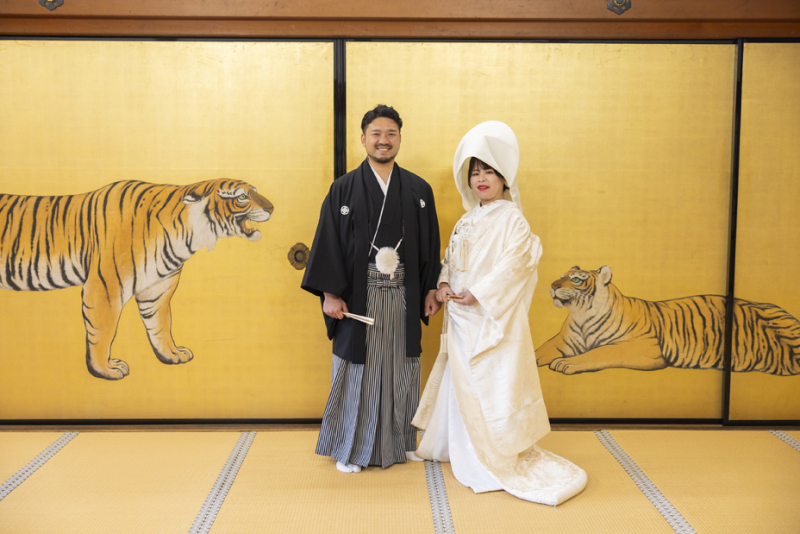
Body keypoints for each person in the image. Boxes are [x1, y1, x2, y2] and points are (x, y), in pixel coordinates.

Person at [412, 121, 587, 505]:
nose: (480, 179)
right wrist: (443, 285)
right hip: (460, 316)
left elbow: (517, 264)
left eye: (488, 171)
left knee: (487, 388)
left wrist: (478, 292)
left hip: (490, 319)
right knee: (462, 387)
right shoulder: (466, 219)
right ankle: (458, 448)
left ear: (503, 178)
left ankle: (483, 458)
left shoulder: (513, 219)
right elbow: (450, 260)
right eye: (474, 173)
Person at [302, 105, 442, 473]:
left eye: (391, 133)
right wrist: (330, 294)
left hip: (403, 294)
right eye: (376, 134)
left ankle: (400, 442)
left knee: (401, 368)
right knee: (358, 371)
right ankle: (350, 449)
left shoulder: (418, 189)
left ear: (399, 138)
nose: (384, 140)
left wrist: (429, 289)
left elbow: (429, 245)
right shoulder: (344, 188)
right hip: (358, 296)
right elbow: (327, 242)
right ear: (363, 139)